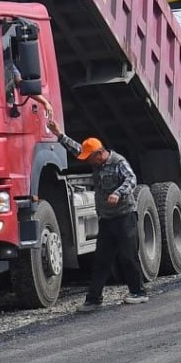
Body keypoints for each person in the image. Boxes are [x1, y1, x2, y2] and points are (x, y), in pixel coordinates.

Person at [46, 119, 149, 311]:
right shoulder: (97, 162)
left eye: (90, 157)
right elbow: (77, 149)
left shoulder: (118, 162)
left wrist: (118, 193)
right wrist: (59, 135)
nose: (86, 160)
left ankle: (138, 292)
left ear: (100, 154)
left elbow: (131, 179)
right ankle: (94, 299)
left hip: (125, 217)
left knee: (128, 256)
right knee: (101, 259)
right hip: (107, 219)